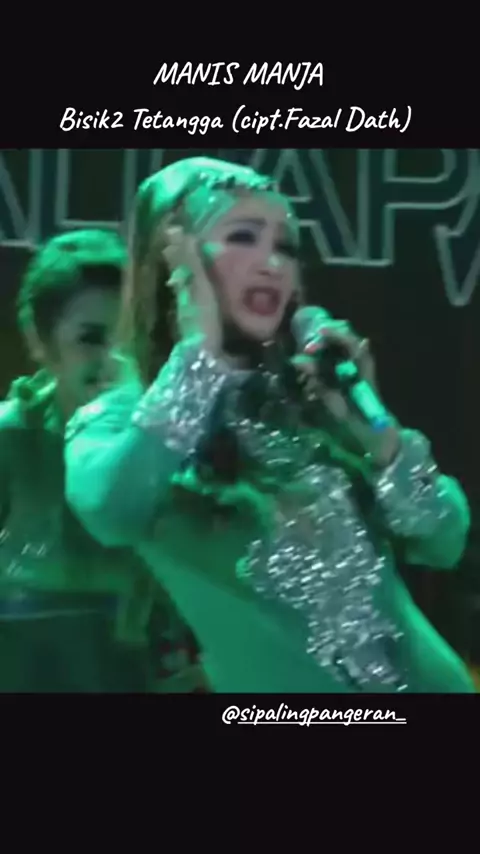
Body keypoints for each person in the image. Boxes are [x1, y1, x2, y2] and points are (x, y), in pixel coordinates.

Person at [65, 158, 474, 693]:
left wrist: (379, 434)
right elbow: (110, 510)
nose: (272, 263)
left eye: (285, 246)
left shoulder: (313, 397)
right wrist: (201, 355)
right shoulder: (122, 417)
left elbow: (446, 540)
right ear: (172, 259)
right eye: (243, 237)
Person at [0, 228, 206, 692]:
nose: (116, 361)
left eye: (129, 338)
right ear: (40, 341)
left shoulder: (173, 448)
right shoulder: (9, 441)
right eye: (90, 338)